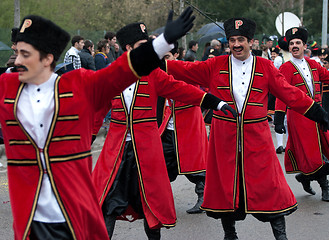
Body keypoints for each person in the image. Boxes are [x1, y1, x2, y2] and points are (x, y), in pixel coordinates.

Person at [1, 9, 196, 239]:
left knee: (143, 204)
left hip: (72, 212)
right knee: (109, 202)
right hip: (32, 219)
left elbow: (122, 72)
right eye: (18, 53)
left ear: (48, 59)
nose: (18, 60)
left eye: (27, 54)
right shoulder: (6, 85)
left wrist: (162, 43)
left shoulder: (77, 84)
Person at [165, 17, 329, 240]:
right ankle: (230, 234)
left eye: (241, 39)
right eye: (232, 40)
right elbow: (183, 69)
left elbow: (289, 93)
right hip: (224, 140)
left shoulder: (265, 67)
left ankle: (281, 237)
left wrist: (317, 112)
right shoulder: (214, 65)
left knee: (270, 187)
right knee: (226, 189)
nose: (236, 44)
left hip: (258, 139)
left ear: (251, 42)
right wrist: (150, 54)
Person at [91, 21, 235, 240]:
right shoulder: (111, 74)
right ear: (128, 48)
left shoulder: (153, 73)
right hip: (116, 153)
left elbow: (181, 89)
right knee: (107, 201)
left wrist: (216, 103)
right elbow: (97, 110)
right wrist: (84, 141)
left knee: (151, 205)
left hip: (147, 150)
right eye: (142, 45)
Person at [275, 27, 329, 203]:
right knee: (313, 153)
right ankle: (325, 186)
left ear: (305, 45)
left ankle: (304, 177)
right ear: (288, 47)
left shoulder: (313, 64)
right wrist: (279, 118)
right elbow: (282, 93)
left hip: (319, 115)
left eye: (298, 43)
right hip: (299, 116)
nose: (294, 46)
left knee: (322, 149)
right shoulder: (285, 67)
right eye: (291, 44)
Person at [159, 43, 208, 214]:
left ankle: (203, 198)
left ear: (175, 56)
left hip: (188, 125)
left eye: (166, 57)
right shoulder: (156, 74)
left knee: (196, 166)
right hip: (166, 127)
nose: (163, 62)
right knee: (161, 165)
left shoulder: (186, 70)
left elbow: (207, 86)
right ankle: (159, 202)